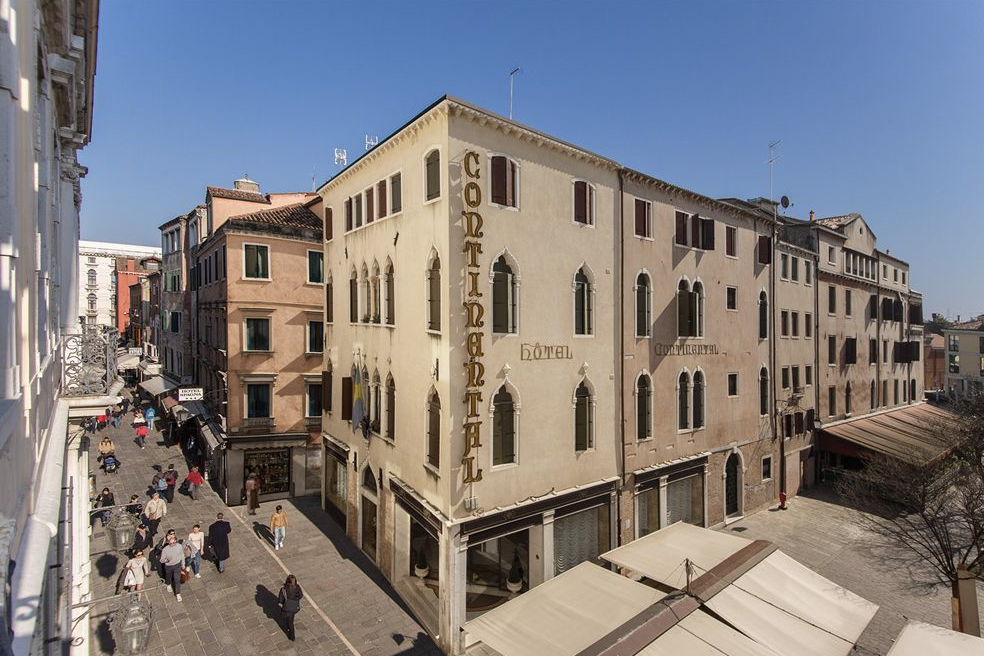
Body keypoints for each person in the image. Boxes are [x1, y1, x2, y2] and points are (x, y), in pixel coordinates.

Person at [159, 533, 185, 601]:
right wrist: (167, 560)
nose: (172, 544)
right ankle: (168, 584)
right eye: (171, 543)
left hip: (177, 565)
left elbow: (182, 555)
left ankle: (178, 594)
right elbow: (161, 560)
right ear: (168, 543)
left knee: (177, 580)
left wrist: (183, 564)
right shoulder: (165, 549)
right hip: (169, 566)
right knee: (168, 577)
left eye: (174, 543)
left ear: (176, 541)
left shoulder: (179, 546)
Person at [278, 574, 304, 641]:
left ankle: (292, 636)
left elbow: (280, 600)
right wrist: (295, 599)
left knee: (290, 623)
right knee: (291, 618)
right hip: (295, 607)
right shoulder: (297, 587)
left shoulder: (283, 589)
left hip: (287, 608)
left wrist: (285, 602)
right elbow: (301, 595)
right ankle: (289, 628)